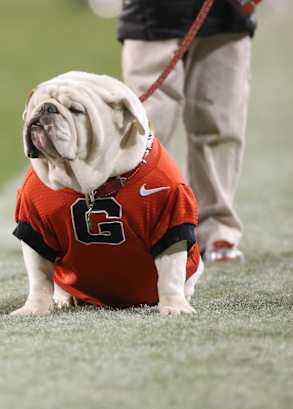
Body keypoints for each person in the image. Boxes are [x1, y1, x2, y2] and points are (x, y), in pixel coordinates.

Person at [117, 0, 256, 263]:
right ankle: (134, 226)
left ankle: (216, 228)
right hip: (150, 13)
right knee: (144, 128)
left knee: (219, 122)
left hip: (226, 12)